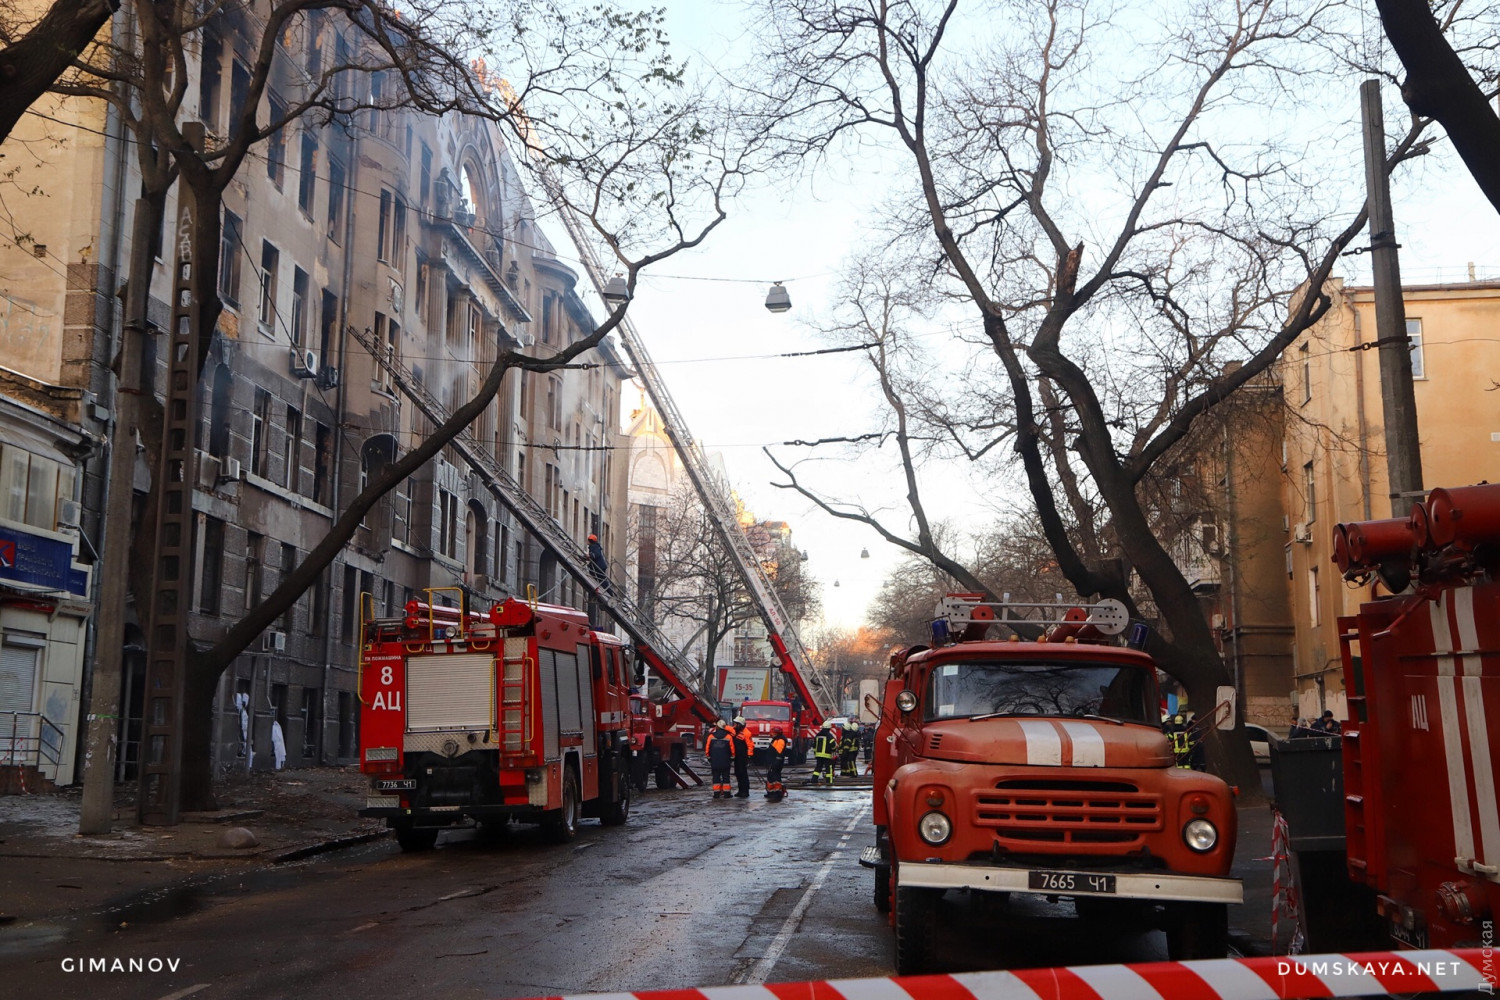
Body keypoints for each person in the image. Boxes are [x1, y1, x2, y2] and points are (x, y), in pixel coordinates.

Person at [705, 720, 734, 799]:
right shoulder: (729, 737)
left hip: (714, 761)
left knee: (716, 777)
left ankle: (716, 794)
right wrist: (732, 758)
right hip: (726, 761)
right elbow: (732, 749)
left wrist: (708, 757)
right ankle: (727, 794)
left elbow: (707, 748)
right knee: (726, 777)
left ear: (717, 727)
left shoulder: (711, 736)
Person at [732, 715, 753, 797]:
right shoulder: (736, 731)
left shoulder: (746, 733)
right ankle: (740, 790)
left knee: (743, 774)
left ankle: (745, 791)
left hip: (742, 757)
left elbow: (750, 745)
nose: (734, 725)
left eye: (736, 724)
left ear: (740, 724)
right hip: (737, 757)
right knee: (738, 773)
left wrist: (749, 756)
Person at [765, 727, 788, 800]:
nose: (771, 734)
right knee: (771, 776)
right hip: (773, 761)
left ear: (776, 733)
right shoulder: (776, 740)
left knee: (775, 777)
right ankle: (771, 792)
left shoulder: (780, 741)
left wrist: (776, 762)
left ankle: (777, 793)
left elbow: (778, 752)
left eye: (772, 733)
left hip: (776, 762)